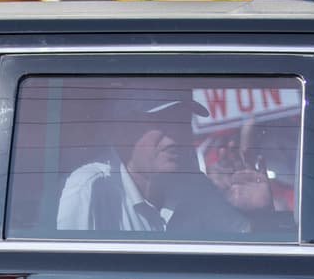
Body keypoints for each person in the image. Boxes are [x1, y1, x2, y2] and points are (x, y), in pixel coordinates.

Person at [56, 92, 251, 235]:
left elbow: (247, 253)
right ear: (124, 132)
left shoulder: (195, 187)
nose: (175, 136)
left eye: (182, 122)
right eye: (161, 122)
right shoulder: (92, 188)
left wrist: (256, 212)